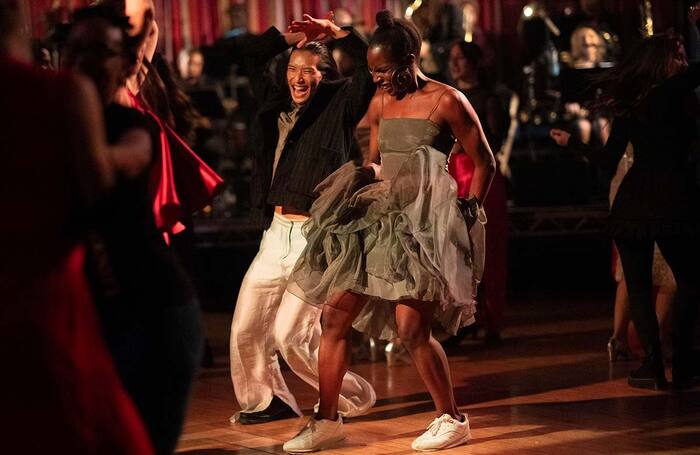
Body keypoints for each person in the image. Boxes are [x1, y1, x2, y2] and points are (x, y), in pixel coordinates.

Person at [284, 10, 495, 452]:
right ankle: (327, 420)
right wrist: (365, 173)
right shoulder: (381, 101)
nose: (378, 80)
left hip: (421, 223)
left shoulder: (447, 100)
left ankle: (452, 419)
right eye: (374, 72)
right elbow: (379, 157)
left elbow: (484, 162)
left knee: (412, 329)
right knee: (334, 316)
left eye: (384, 70)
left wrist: (470, 208)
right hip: (379, 214)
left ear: (411, 59)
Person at [0, 1, 152, 453]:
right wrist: (127, 155)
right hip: (47, 301)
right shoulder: (60, 96)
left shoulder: (105, 108)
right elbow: (96, 190)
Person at [60, 4, 207, 454]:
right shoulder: (48, 120)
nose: (86, 59)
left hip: (158, 316)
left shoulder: (133, 125)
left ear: (124, 64)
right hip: (98, 317)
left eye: (100, 50)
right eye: (76, 48)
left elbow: (101, 173)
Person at [228, 14, 376, 425]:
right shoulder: (274, 102)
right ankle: (266, 401)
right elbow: (251, 56)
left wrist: (335, 33)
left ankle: (347, 398)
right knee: (246, 328)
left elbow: (367, 66)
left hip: (314, 237)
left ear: (323, 75)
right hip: (275, 235)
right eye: (292, 70)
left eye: (306, 72)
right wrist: (295, 38)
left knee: (290, 336)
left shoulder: (340, 103)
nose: (297, 79)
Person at [550, 20, 700, 390]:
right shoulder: (677, 93)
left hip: (633, 202)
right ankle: (680, 364)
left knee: (638, 286)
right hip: (671, 199)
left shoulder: (632, 102)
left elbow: (606, 161)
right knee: (690, 281)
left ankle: (653, 366)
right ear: (666, 61)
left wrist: (572, 144)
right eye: (678, 55)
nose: (683, 61)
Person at [446, 40, 509, 346]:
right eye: (452, 59)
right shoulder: (445, 96)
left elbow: (492, 141)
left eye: (460, 59)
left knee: (488, 247)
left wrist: (460, 145)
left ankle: (491, 319)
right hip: (453, 175)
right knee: (455, 251)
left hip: (478, 173)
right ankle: (463, 320)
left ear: (473, 63)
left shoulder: (488, 97)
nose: (454, 64)